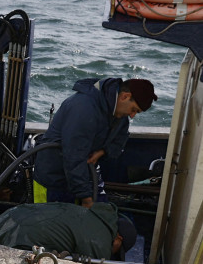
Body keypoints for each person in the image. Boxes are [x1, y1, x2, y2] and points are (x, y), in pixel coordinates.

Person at [34, 77, 157, 207]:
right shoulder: (84, 108)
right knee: (51, 226)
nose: (133, 116)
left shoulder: (119, 115)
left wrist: (103, 152)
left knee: (98, 217)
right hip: (53, 180)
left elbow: (120, 140)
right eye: (134, 110)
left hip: (84, 177)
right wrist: (85, 197)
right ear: (125, 96)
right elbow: (73, 156)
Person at [0, 202, 137, 262]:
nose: (113, 252)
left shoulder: (91, 215)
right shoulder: (101, 241)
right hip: (20, 236)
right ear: (118, 238)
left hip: (7, 217)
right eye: (118, 249)